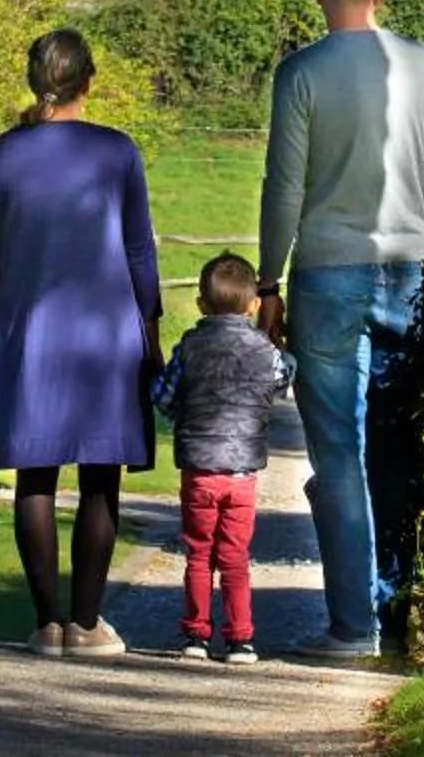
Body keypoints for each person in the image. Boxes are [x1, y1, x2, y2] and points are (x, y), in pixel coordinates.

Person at [257, 0, 424, 657]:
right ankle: (397, 607)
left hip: (327, 274)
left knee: (338, 451)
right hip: (406, 265)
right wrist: (420, 248)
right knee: (394, 447)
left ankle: (352, 626)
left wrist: (269, 279)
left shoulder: (301, 74)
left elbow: (284, 187)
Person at [0, 28, 163, 657]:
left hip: (29, 330)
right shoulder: (117, 152)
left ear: (35, 81)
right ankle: (87, 622)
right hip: (106, 333)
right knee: (102, 475)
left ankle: (46, 622)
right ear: (88, 81)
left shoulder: (2, 154)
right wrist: (151, 326)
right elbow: (138, 248)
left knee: (36, 473)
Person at [151, 251, 296, 664]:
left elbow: (162, 396)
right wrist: (277, 338)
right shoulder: (262, 351)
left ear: (201, 305)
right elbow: (283, 375)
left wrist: (184, 412)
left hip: (198, 469)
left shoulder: (190, 347)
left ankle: (195, 635)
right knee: (234, 556)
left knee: (198, 553)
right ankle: (240, 639)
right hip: (242, 474)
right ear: (253, 305)